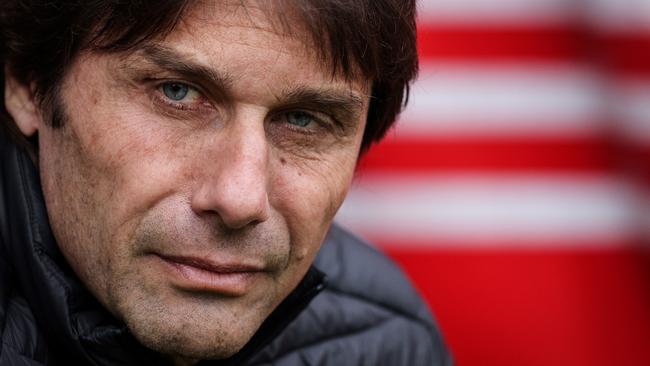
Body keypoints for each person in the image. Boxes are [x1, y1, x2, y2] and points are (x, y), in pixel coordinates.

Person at [0, 1, 451, 365]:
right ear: (27, 83)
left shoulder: (388, 343)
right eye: (177, 92)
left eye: (302, 119)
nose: (240, 198)